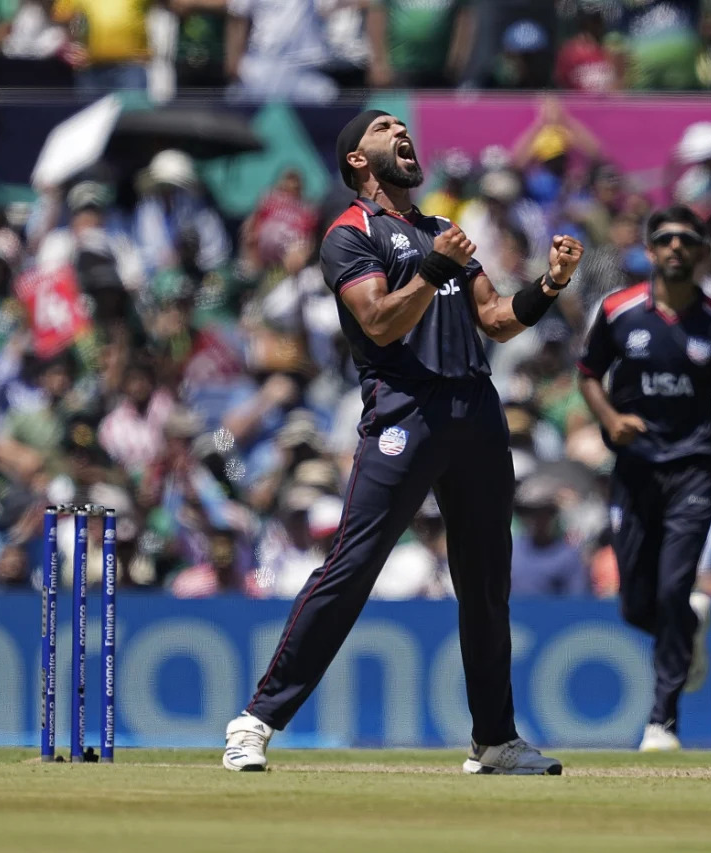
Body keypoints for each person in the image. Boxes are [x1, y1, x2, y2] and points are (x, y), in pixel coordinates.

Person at [223, 109, 584, 775]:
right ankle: (255, 720)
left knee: (485, 581)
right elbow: (381, 324)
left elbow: (498, 321)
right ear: (358, 160)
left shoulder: (442, 231)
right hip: (404, 409)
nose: (401, 134)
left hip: (474, 407)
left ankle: (495, 738)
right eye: (384, 128)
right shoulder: (349, 233)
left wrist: (551, 283)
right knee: (353, 566)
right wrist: (433, 269)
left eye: (402, 126)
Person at [576, 204, 711, 752]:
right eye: (665, 240)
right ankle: (686, 627)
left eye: (687, 240)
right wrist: (611, 421)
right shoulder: (617, 310)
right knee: (638, 605)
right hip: (634, 470)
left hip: (693, 469)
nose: (675, 248)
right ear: (650, 250)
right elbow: (587, 373)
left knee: (673, 585)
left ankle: (663, 721)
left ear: (703, 253)